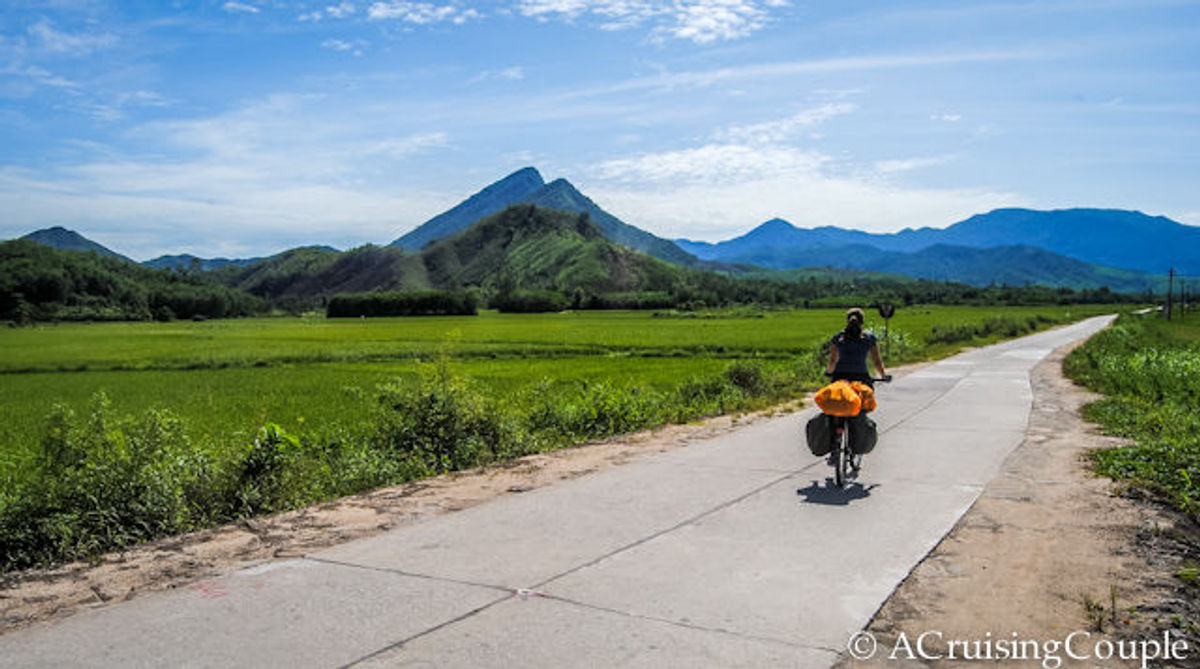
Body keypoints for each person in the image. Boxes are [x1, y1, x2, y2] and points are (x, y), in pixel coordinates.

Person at [826, 307, 887, 386]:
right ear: (862, 321)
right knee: (866, 396)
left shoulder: (838, 337)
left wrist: (829, 372)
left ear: (847, 321)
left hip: (840, 377)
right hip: (861, 376)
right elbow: (877, 361)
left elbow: (833, 360)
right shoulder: (869, 338)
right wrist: (883, 376)